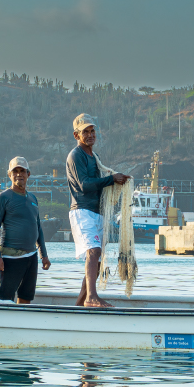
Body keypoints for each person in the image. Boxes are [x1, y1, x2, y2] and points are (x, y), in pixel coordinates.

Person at [66, 113, 129, 308]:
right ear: (77, 135)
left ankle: (79, 305)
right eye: (86, 132)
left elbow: (99, 184)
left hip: (96, 212)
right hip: (82, 210)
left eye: (93, 131)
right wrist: (111, 179)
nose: (91, 135)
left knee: (98, 257)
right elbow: (84, 185)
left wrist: (118, 183)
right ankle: (91, 297)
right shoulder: (76, 155)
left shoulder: (95, 157)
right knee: (93, 252)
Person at [0, 157, 51, 303]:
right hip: (11, 258)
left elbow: (38, 228)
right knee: (5, 298)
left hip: (31, 257)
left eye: (22, 171)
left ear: (28, 174)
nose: (19, 174)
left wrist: (44, 255)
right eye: (15, 171)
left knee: (26, 297)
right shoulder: (3, 198)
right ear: (9, 175)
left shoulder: (33, 198)